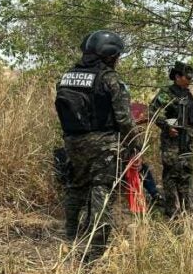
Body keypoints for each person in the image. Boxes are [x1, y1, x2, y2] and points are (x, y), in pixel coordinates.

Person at [54, 30, 141, 260]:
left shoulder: (67, 76)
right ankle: (95, 251)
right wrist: (136, 145)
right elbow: (124, 119)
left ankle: (71, 236)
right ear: (110, 55)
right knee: (102, 190)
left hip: (73, 141)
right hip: (103, 143)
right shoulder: (109, 78)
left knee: (76, 187)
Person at [149, 61, 193, 217]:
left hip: (188, 142)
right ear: (177, 77)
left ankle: (186, 208)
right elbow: (153, 111)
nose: (189, 79)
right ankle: (172, 210)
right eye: (186, 76)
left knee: (185, 173)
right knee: (171, 174)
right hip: (172, 142)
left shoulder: (189, 95)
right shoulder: (168, 93)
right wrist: (166, 126)